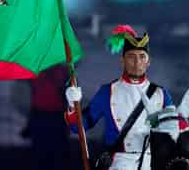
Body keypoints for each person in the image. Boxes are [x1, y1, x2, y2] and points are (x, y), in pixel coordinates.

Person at [65, 24, 174, 170]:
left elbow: (174, 133)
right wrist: (73, 104)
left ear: (148, 62)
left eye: (142, 57)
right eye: (131, 57)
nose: (137, 62)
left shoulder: (161, 94)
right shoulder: (107, 92)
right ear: (122, 60)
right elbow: (78, 126)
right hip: (117, 164)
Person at [25, 63, 70, 170]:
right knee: (45, 154)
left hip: (52, 116)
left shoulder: (62, 72)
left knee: (50, 154)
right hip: (45, 116)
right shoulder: (37, 71)